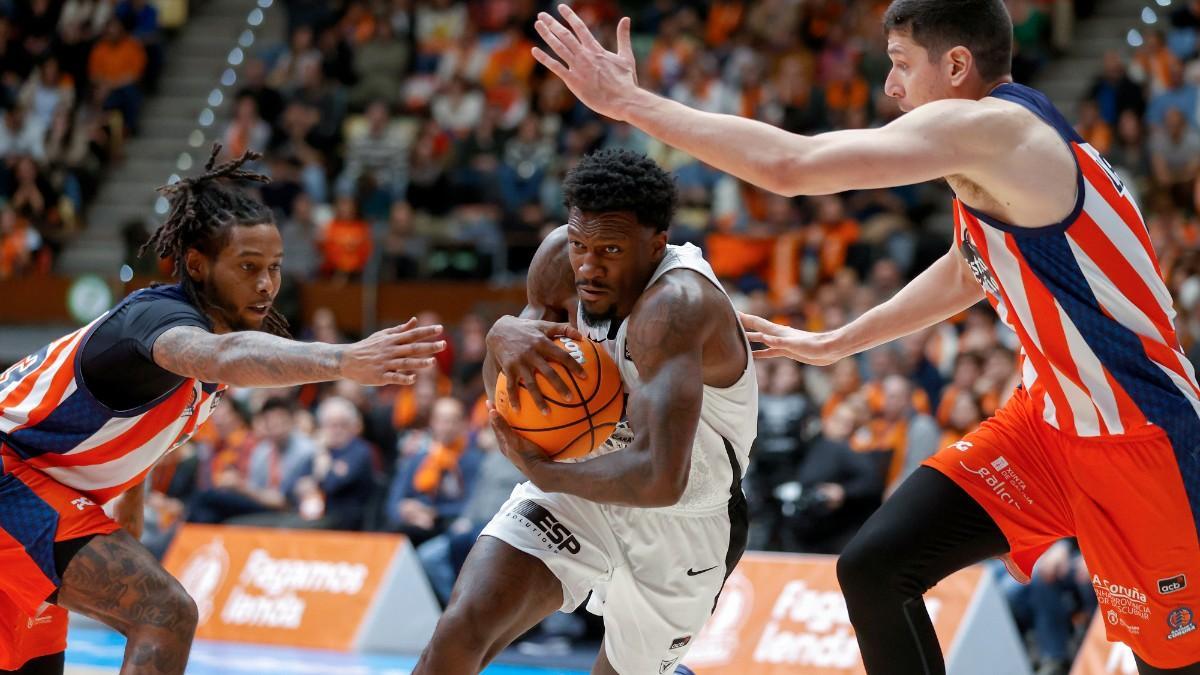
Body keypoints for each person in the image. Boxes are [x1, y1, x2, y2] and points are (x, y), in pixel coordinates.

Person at [533, 2, 1200, 674]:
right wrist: (835, 342)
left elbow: (791, 166)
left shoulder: (1000, 132)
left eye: (902, 64)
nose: (892, 87)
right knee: (877, 565)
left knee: (1170, 662)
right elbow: (966, 268)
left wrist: (628, 102)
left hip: (1140, 438)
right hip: (1049, 425)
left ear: (958, 66)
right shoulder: (1002, 156)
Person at [0, 144, 445, 674]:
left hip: (42, 492)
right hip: (12, 481)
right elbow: (224, 357)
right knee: (164, 614)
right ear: (197, 264)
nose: (266, 284)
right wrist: (345, 358)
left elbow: (139, 431)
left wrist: (127, 520)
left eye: (275, 267)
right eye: (248, 266)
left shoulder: (195, 352)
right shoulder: (157, 319)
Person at [414, 148, 756, 675]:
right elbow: (510, 402)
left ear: (655, 244)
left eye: (611, 250)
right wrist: (498, 340)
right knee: (458, 633)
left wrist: (542, 471)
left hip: (683, 515)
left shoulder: (677, 306)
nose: (588, 268)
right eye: (580, 245)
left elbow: (659, 479)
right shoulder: (559, 262)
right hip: (578, 482)